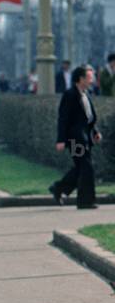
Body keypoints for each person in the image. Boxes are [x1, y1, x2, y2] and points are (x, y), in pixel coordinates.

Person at [50, 65, 103, 210]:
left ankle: (59, 188)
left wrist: (95, 131)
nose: (91, 81)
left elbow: (89, 117)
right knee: (86, 167)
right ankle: (85, 201)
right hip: (74, 139)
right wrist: (61, 139)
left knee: (82, 167)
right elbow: (63, 118)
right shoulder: (70, 95)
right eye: (89, 78)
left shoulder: (86, 94)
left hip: (85, 138)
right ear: (80, 79)